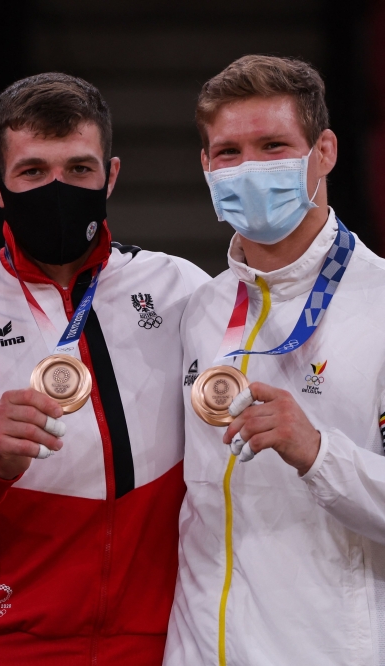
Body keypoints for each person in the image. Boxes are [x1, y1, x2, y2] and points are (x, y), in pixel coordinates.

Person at [0, 73, 210, 664]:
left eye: (79, 169)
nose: (58, 189)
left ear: (111, 175)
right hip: (6, 646)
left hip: (163, 644)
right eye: (33, 172)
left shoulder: (182, 290)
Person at [164, 55, 385, 666]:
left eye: (273, 146)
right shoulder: (198, 308)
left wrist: (318, 453)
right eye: (229, 152)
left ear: (325, 151)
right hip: (199, 650)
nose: (251, 169)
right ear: (207, 167)